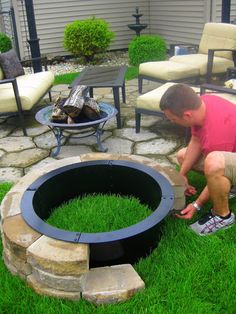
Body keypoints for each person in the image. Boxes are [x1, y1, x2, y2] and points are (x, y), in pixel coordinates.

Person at [160, 83, 236, 236]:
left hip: (224, 151)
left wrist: (196, 205)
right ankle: (230, 186)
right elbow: (195, 140)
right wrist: (181, 176)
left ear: (187, 115)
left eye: (173, 119)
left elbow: (215, 166)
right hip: (229, 152)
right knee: (183, 154)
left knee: (214, 163)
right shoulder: (202, 104)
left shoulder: (217, 135)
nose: (172, 122)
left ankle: (223, 216)